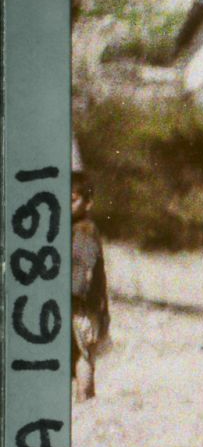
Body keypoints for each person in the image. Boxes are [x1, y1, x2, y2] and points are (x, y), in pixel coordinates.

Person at [71, 171, 110, 402]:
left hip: (82, 305)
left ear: (88, 203)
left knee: (84, 354)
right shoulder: (75, 227)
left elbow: (84, 269)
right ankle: (85, 398)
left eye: (73, 200)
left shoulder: (85, 230)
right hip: (77, 303)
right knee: (81, 354)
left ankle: (85, 398)